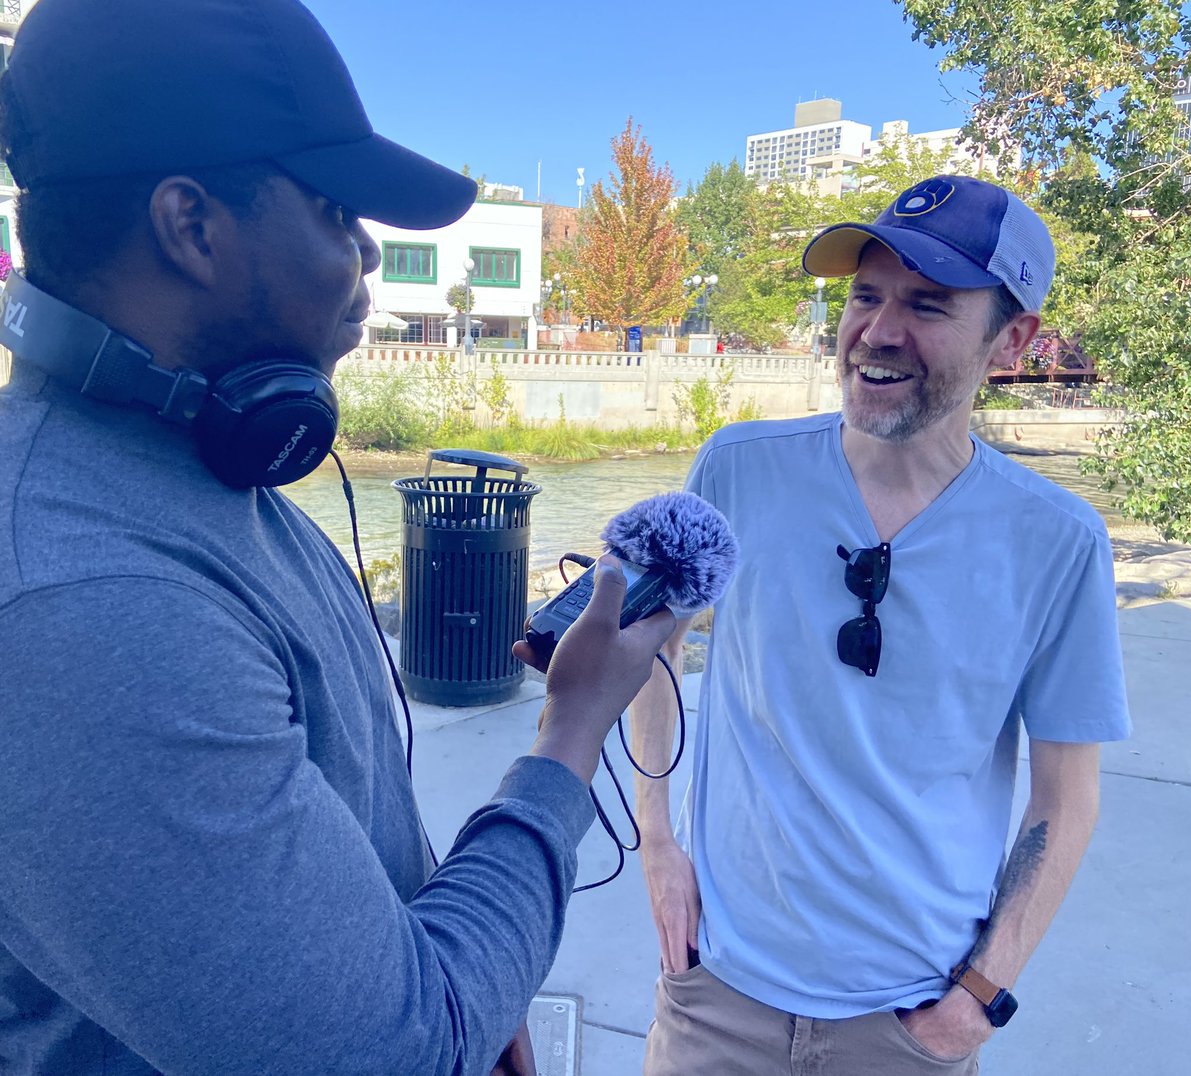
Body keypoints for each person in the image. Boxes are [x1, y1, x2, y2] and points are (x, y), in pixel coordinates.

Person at [0, 2, 674, 1074]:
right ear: (193, 226)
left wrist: (478, 971)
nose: (365, 250)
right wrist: (572, 728)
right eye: (332, 209)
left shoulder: (208, 468)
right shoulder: (84, 597)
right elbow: (397, 1050)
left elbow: (364, 877)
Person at [632, 175, 1131, 1074]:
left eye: (929, 304)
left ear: (1011, 341)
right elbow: (655, 651)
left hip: (910, 1021)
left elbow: (1066, 800)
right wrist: (658, 842)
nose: (879, 330)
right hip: (718, 996)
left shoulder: (1057, 542)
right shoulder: (738, 470)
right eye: (867, 294)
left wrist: (977, 1000)